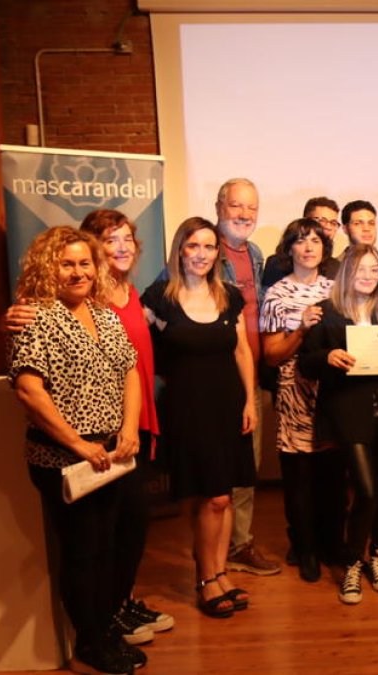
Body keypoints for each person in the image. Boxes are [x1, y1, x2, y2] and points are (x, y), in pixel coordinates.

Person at [5, 210, 175, 646]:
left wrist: (129, 429)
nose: (78, 271)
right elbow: (29, 391)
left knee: (127, 537)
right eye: (67, 263)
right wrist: (78, 444)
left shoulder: (103, 315)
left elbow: (130, 371)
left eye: (84, 263)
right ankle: (93, 640)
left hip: (116, 453)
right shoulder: (34, 317)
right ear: (48, 267)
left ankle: (110, 618)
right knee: (86, 551)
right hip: (65, 457)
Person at [142, 217, 258, 618]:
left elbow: (242, 351)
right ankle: (206, 579)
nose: (202, 254)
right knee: (215, 497)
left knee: (225, 496)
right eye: (194, 246)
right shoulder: (159, 297)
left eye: (209, 247)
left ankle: (221, 572)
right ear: (180, 250)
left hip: (229, 404)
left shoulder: (228, 295)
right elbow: (133, 345)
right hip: (188, 409)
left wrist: (249, 402)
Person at [297, 244, 378, 604]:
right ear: (347, 272)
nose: (368, 276)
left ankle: (376, 555)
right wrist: (328, 356)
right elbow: (306, 363)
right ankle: (352, 560)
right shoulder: (327, 313)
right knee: (365, 490)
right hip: (349, 412)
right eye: (362, 269)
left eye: (375, 270)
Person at [258, 218, 339, 583]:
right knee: (300, 482)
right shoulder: (277, 294)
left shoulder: (336, 290)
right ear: (288, 249)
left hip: (333, 393)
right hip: (295, 395)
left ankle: (330, 544)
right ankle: (305, 548)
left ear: (325, 250)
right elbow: (272, 355)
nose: (309, 247)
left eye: (316, 241)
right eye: (301, 241)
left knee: (332, 479)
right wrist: (302, 327)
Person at [212, 178, 280, 576]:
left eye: (251, 208)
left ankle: (239, 545)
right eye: (236, 206)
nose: (244, 214)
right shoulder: (203, 248)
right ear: (219, 205)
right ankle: (211, 557)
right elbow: (161, 296)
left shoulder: (253, 253)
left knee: (246, 467)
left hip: (250, 379)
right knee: (218, 472)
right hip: (217, 380)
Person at [262, 197, 341, 289]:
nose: (328, 227)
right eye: (322, 220)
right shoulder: (276, 264)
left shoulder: (337, 268)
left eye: (333, 223)